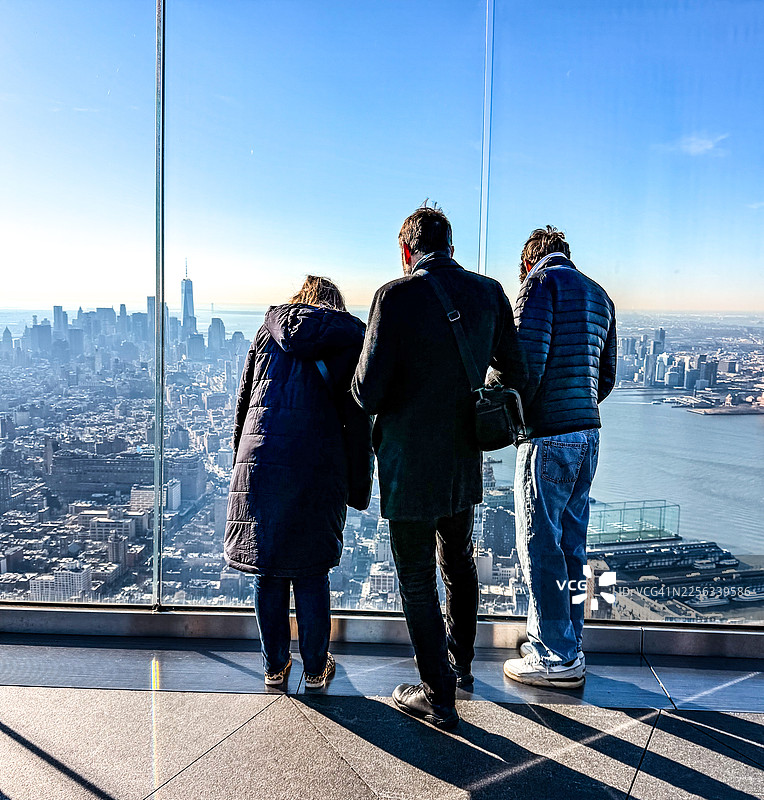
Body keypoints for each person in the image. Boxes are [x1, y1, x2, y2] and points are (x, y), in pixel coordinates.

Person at [352, 205, 527, 728]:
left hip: (409, 464)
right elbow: (513, 370)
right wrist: (473, 402)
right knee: (459, 562)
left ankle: (437, 692)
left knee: (416, 578)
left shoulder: (395, 296)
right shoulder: (490, 292)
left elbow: (367, 391)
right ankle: (462, 664)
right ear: (451, 246)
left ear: (407, 251)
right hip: (463, 460)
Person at [224, 276, 373, 689]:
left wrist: (244, 461)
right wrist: (359, 485)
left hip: (261, 463)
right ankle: (314, 668)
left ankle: (274, 668)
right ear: (335, 305)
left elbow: (244, 404)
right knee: (311, 570)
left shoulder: (267, 332)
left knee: (267, 570)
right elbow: (358, 423)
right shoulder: (350, 340)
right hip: (318, 465)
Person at [502, 226, 616, 688]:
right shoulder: (600, 295)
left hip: (547, 435)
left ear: (529, 262)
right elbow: (604, 377)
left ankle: (554, 655)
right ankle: (568, 642)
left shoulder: (539, 286)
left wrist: (505, 407)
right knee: (571, 544)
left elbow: (522, 364)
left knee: (539, 545)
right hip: (588, 434)